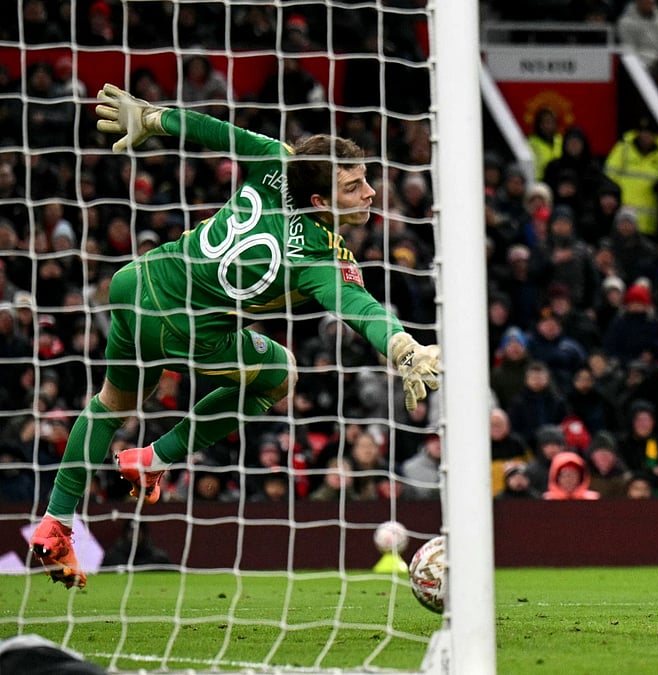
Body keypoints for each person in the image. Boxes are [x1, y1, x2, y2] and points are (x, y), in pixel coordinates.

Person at [28, 84, 442, 589]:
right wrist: (402, 345)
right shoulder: (319, 258)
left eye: (364, 180)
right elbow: (359, 307)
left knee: (111, 402)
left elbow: (212, 130)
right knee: (279, 374)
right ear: (318, 200)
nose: (370, 192)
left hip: (137, 283)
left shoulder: (274, 158)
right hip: (189, 329)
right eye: (354, 187)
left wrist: (152, 118)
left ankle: (56, 521)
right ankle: (153, 460)